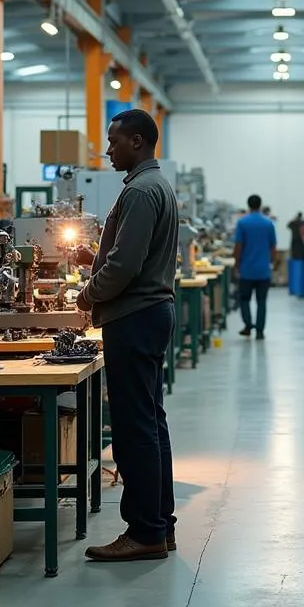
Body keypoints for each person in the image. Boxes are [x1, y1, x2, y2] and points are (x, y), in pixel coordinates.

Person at [75, 109, 179, 562]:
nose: (108, 149)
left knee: (135, 429)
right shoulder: (154, 187)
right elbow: (124, 258)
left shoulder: (140, 191)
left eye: (115, 141)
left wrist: (86, 294)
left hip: (135, 317)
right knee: (150, 424)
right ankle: (160, 524)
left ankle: (144, 532)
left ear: (138, 141)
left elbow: (124, 266)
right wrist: (92, 261)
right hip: (149, 312)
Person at [233, 194, 276, 339]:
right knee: (262, 301)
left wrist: (237, 264)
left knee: (244, 299)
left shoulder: (243, 223)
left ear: (248, 205)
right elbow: (273, 246)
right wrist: (272, 263)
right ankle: (260, 331)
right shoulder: (268, 223)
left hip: (247, 270)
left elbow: (238, 246)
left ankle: (248, 325)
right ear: (260, 204)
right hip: (263, 270)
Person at [286, 210, 304, 297]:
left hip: (294, 245)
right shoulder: (303, 223)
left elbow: (287, 225)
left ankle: (295, 288)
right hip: (302, 246)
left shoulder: (293, 223)